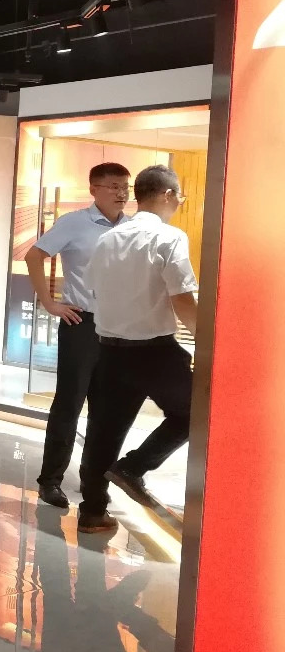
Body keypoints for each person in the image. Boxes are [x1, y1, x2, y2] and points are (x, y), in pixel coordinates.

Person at [76, 164, 198, 533]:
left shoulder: (108, 239)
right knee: (196, 412)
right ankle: (134, 467)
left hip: (110, 352)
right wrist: (209, 341)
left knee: (103, 434)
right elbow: (182, 299)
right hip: (156, 352)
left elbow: (95, 288)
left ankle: (92, 512)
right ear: (168, 195)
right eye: (179, 197)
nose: (178, 203)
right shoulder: (170, 237)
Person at [24, 162, 131, 509]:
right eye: (114, 186)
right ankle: (50, 481)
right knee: (69, 404)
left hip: (119, 329)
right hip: (81, 323)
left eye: (125, 187)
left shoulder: (132, 227)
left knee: (106, 410)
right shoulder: (74, 223)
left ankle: (94, 481)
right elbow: (34, 255)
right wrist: (49, 302)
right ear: (94, 189)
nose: (121, 193)